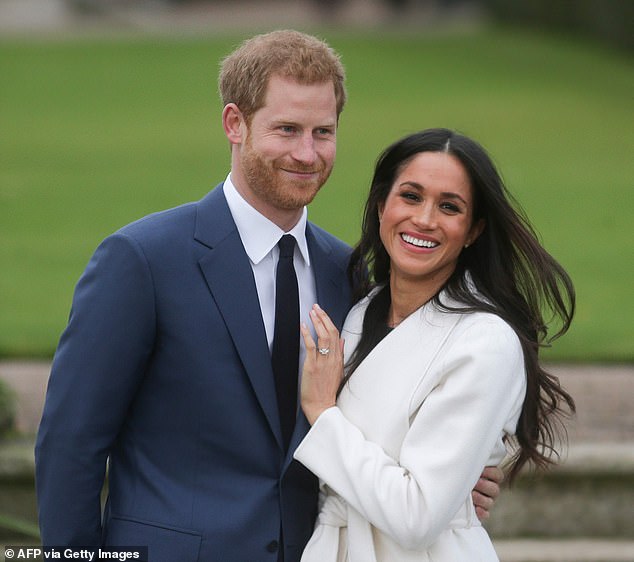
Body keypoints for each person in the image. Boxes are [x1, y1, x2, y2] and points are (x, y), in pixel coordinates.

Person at [35, 32, 500, 562]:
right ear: (235, 124)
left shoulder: (349, 274)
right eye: (287, 130)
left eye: (323, 132)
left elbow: (375, 416)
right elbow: (71, 445)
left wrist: (454, 478)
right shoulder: (141, 261)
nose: (307, 153)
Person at [294, 128, 576, 561]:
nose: (425, 219)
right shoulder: (358, 311)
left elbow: (417, 516)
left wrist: (322, 414)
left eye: (449, 207)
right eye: (410, 196)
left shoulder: (484, 342)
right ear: (382, 205)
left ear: (473, 230)